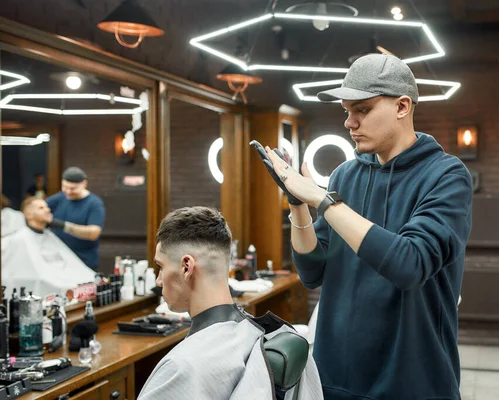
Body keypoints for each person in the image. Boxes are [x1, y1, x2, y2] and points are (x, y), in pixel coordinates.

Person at [262, 54, 473, 399]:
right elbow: (312, 271)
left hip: (413, 382)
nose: (349, 122)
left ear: (403, 106)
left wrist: (322, 200)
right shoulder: (346, 175)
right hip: (336, 378)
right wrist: (298, 204)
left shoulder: (446, 176)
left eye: (362, 110)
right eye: (346, 111)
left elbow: (410, 264)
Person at [138, 206, 322, 400]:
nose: (159, 281)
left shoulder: (181, 367)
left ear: (186, 267)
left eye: (161, 266)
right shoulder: (266, 333)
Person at [1, 197, 96, 298]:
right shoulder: (19, 239)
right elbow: (36, 275)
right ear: (28, 214)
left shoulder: (49, 236)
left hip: (67, 287)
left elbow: (72, 266)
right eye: (41, 208)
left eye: (47, 207)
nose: (48, 210)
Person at [46, 167, 105, 270]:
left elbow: (93, 233)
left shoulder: (94, 204)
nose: (68, 191)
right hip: (60, 261)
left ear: (84, 184)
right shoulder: (59, 198)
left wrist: (63, 226)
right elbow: (39, 208)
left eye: (73, 188)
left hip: (83, 262)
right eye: (65, 187)